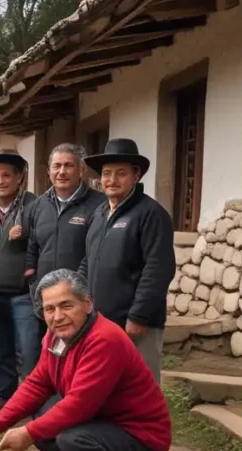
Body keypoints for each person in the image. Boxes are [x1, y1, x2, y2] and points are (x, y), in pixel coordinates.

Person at [0, 269, 171, 451]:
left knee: (69, 438)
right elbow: (37, 382)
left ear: (87, 304)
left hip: (142, 436)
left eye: (66, 306)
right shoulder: (55, 336)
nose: (58, 316)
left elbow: (79, 404)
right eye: (49, 309)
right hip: (104, 422)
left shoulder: (104, 340)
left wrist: (27, 434)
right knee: (44, 420)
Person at [79, 139, 174, 384]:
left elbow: (158, 268)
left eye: (121, 173)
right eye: (107, 174)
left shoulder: (150, 213)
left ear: (136, 175)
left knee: (140, 385)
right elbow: (88, 260)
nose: (111, 180)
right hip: (100, 320)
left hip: (135, 323)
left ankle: (147, 424)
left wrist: (139, 315)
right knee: (107, 384)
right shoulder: (100, 213)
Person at [0, 149, 39, 403]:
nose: (0, 181)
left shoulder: (34, 205)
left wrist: (27, 233)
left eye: (6, 175)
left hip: (24, 293)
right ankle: (6, 398)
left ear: (19, 177)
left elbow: (47, 239)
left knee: (29, 349)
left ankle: (32, 399)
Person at [25, 144, 105, 326]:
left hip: (80, 296)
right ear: (49, 171)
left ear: (82, 170)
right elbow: (32, 246)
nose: (62, 172)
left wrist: (77, 288)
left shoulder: (99, 205)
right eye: (56, 166)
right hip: (47, 298)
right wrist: (32, 279)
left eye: (68, 165)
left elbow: (94, 251)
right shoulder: (38, 206)